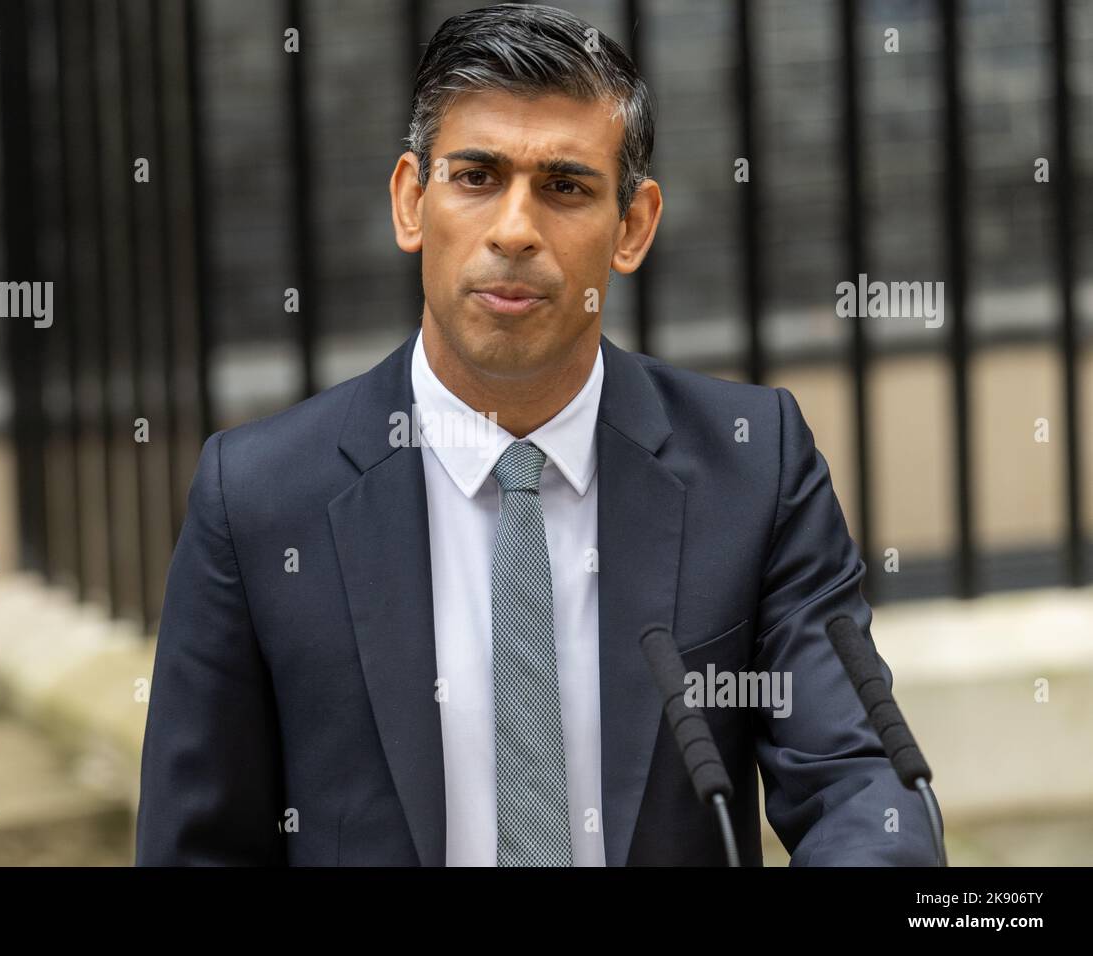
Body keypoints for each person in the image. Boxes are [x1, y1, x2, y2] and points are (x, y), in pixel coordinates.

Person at [135, 2, 936, 866]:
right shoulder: (257, 499)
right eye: (476, 177)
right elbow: (196, 848)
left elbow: (860, 782)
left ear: (632, 226)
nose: (514, 230)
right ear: (412, 202)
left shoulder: (752, 467)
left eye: (565, 187)